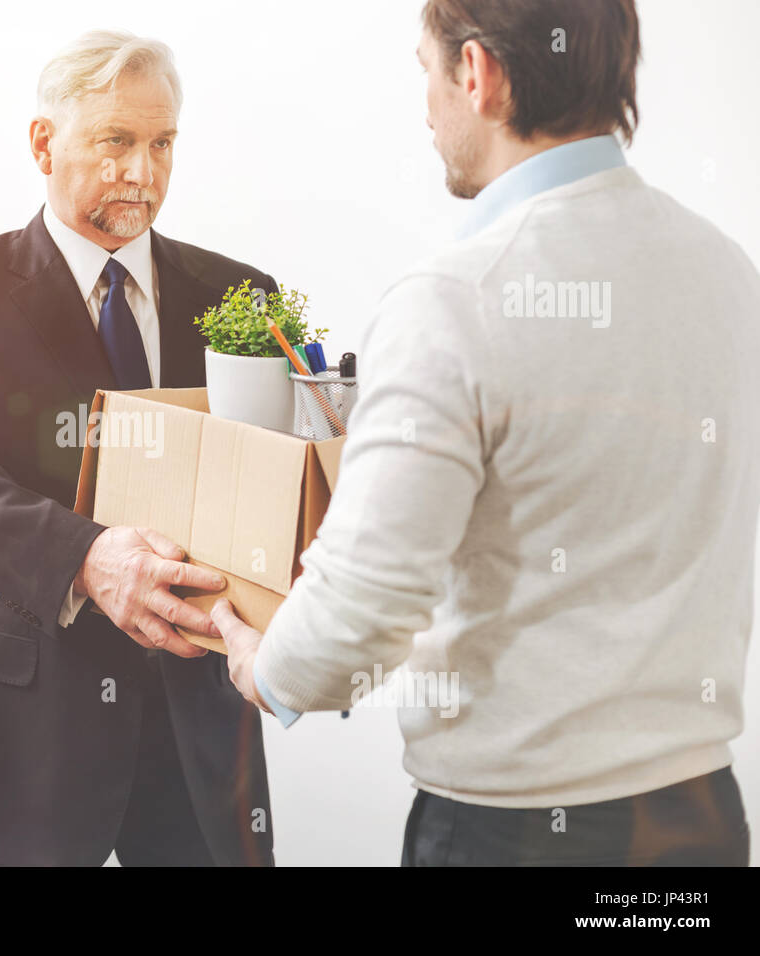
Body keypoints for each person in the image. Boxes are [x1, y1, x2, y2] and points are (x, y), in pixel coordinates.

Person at [215, 0, 758, 866]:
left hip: (520, 836)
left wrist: (261, 664)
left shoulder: (454, 301)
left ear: (479, 74)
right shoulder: (730, 274)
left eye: (428, 73)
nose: (426, 109)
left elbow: (363, 610)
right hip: (702, 823)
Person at [0, 30, 278, 866]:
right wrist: (87, 559)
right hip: (24, 736)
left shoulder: (240, 295)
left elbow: (269, 478)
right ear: (43, 144)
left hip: (197, 729)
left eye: (162, 144)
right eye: (115, 141)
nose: (142, 171)